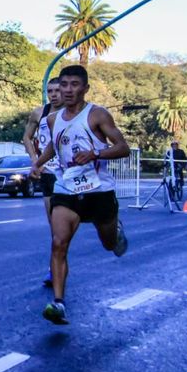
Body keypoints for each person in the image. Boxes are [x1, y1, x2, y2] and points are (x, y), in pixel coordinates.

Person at [30, 65, 130, 325]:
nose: (68, 90)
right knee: (58, 242)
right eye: (64, 84)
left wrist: (95, 153)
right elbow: (54, 143)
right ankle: (59, 302)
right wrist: (38, 163)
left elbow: (122, 148)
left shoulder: (97, 115)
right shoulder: (52, 119)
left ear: (85, 88)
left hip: (99, 190)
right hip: (67, 188)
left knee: (110, 245)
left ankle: (115, 230)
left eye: (75, 84)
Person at [23, 76, 63, 287]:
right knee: (55, 226)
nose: (54, 95)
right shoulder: (40, 113)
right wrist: (35, 160)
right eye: (50, 91)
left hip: (73, 173)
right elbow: (27, 137)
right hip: (49, 173)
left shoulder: (75, 113)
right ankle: (54, 269)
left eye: (57, 90)